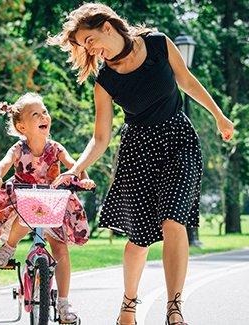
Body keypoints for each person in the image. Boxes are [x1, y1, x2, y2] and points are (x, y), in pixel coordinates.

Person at [47, 4, 235, 325]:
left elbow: (187, 82)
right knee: (139, 239)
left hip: (179, 140)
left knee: (174, 222)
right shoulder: (105, 81)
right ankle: (128, 306)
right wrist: (76, 167)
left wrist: (219, 116)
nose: (89, 50)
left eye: (89, 40)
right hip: (138, 152)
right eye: (83, 46)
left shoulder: (159, 44)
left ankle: (174, 308)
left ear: (107, 27)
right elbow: (101, 138)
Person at [0, 92, 96, 324]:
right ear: (22, 126)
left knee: (61, 251)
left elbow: (74, 166)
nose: (44, 115)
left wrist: (83, 178)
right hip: (25, 198)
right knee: (24, 219)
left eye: (44, 111)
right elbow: (5, 164)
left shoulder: (55, 148)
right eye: (36, 114)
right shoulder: (18, 149)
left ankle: (64, 304)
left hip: (53, 201)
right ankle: (9, 247)